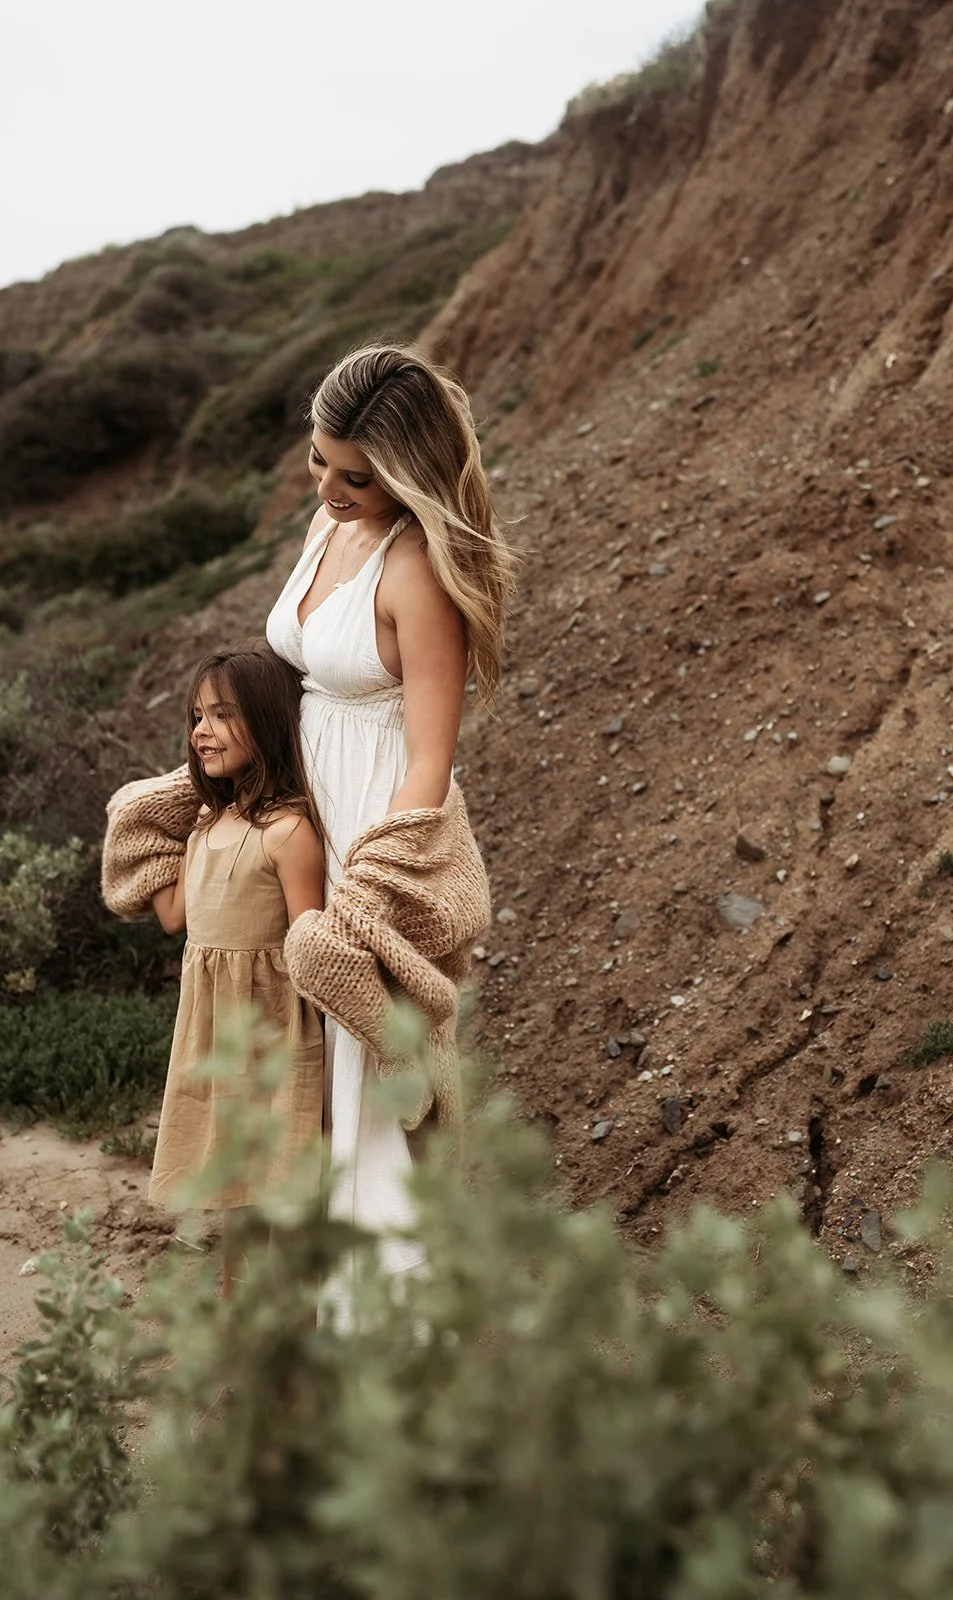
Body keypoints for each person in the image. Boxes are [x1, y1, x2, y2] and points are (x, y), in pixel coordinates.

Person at [265, 343, 513, 1309]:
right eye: (319, 460)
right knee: (308, 1066)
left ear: (404, 473)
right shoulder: (332, 528)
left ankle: (388, 1326)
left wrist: (373, 894)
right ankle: (323, 1290)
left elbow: (429, 758)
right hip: (305, 805)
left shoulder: (415, 567)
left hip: (372, 823)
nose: (328, 485)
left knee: (367, 1076)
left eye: (355, 475)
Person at [144, 647, 326, 1296]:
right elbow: (172, 916)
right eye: (196, 716)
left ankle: (294, 1356)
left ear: (268, 722)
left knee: (283, 1199)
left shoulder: (287, 831)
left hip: (275, 1039)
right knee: (233, 1198)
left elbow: (312, 946)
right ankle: (245, 1350)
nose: (201, 731)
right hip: (216, 1041)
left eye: (223, 714)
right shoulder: (204, 826)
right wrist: (134, 827)